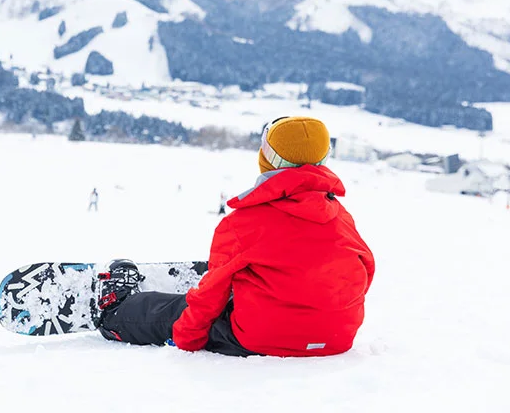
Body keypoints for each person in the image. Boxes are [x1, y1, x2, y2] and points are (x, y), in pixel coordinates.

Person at [95, 116, 375, 358]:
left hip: (261, 338)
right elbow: (365, 270)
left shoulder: (243, 223)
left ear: (267, 160)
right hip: (337, 340)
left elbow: (207, 299)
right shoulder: (341, 218)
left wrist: (187, 338)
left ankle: (115, 312)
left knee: (174, 310)